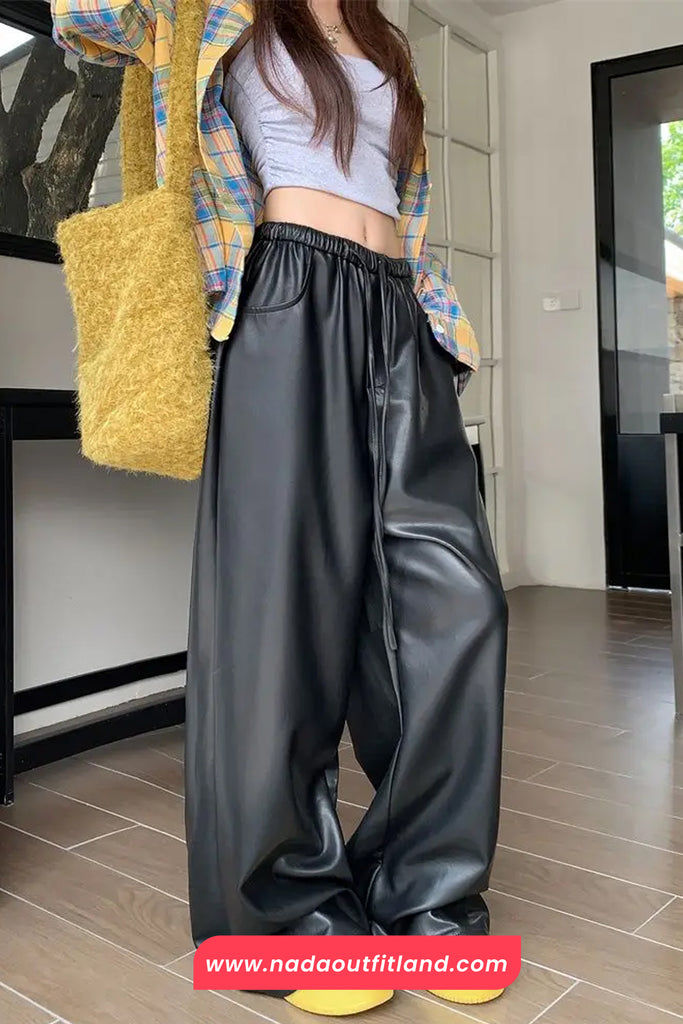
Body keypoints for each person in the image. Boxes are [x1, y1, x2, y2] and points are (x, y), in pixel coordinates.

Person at [52, 0, 509, 1016]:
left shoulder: (380, 36)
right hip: (281, 297)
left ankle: (427, 896)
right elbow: (82, 17)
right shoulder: (212, 12)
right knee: (279, 616)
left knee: (455, 603)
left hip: (400, 310)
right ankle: (285, 923)